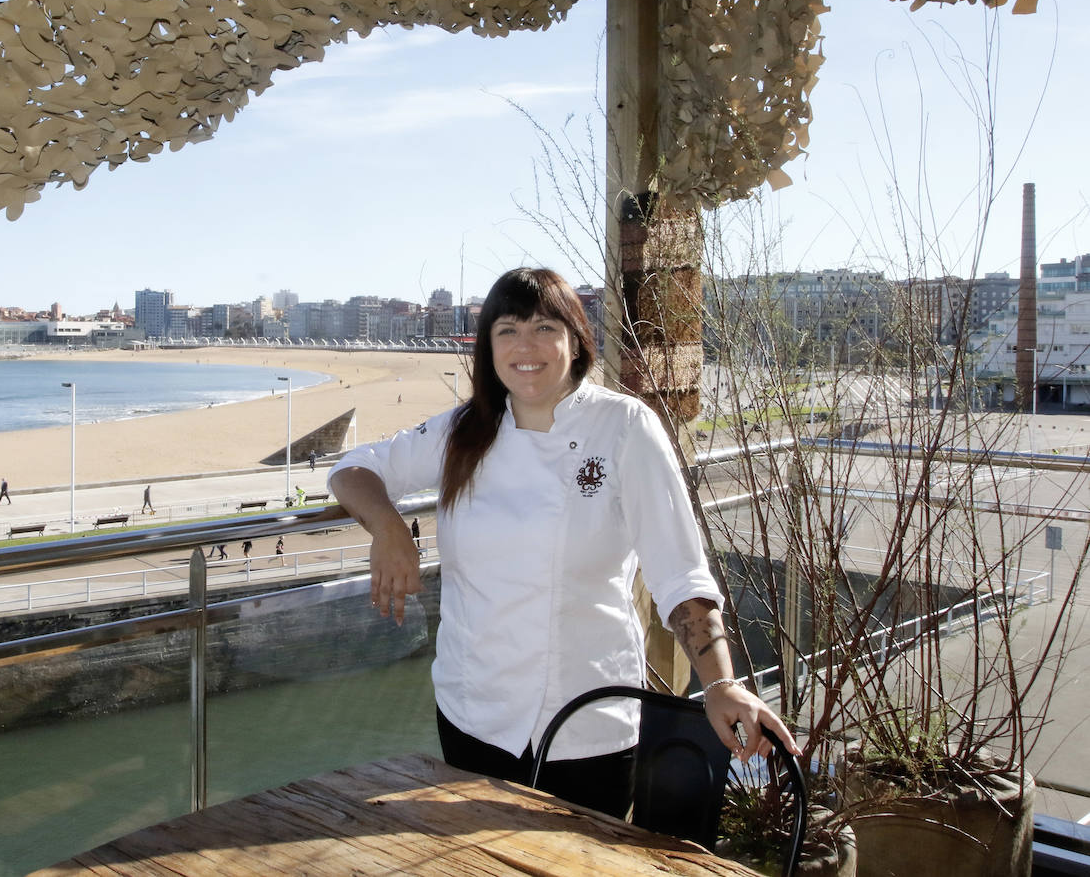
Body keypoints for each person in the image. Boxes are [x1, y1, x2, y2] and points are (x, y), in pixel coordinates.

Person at [328, 267, 798, 819]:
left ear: (575, 340)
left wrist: (720, 683)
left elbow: (680, 572)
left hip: (589, 719)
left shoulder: (624, 427)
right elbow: (353, 467)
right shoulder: (463, 431)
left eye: (544, 327)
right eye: (507, 330)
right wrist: (389, 529)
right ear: (488, 348)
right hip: (474, 710)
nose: (526, 347)